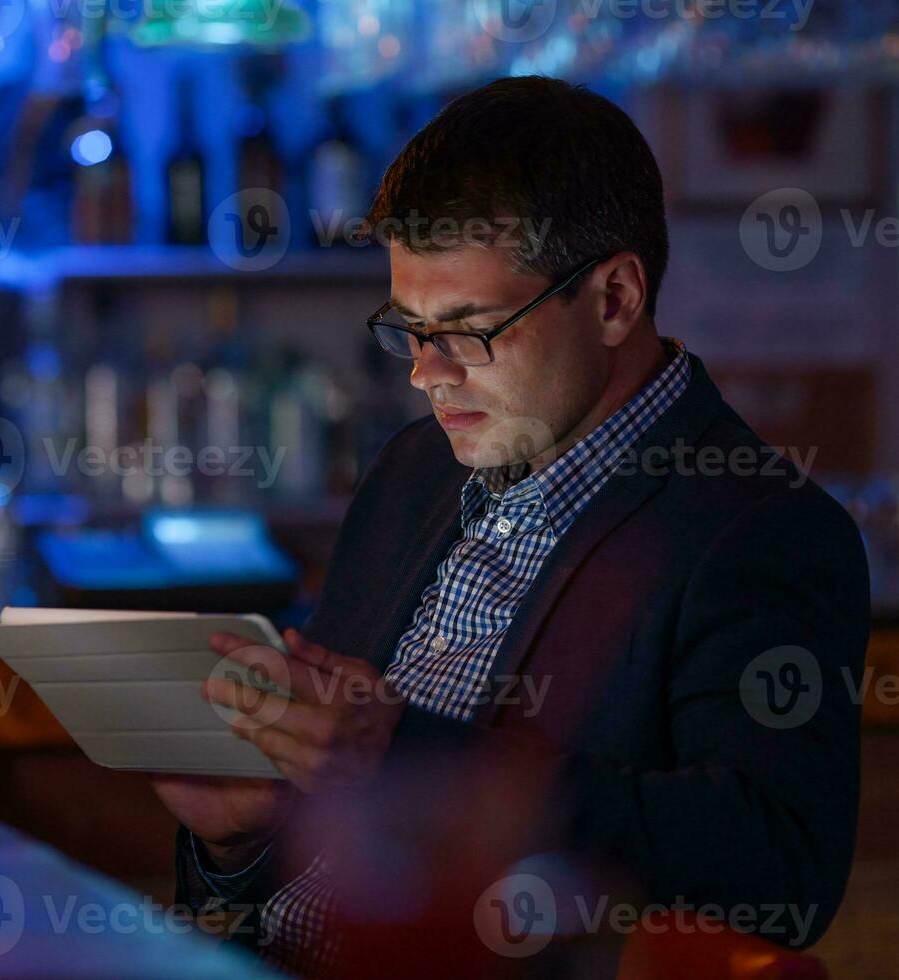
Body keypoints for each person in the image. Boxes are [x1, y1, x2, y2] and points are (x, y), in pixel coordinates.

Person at [150, 75, 870, 975]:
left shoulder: (758, 529)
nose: (425, 375)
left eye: (469, 330)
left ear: (613, 300)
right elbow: (322, 847)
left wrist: (401, 755)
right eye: (407, 329)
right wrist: (241, 844)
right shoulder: (413, 472)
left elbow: (780, 875)